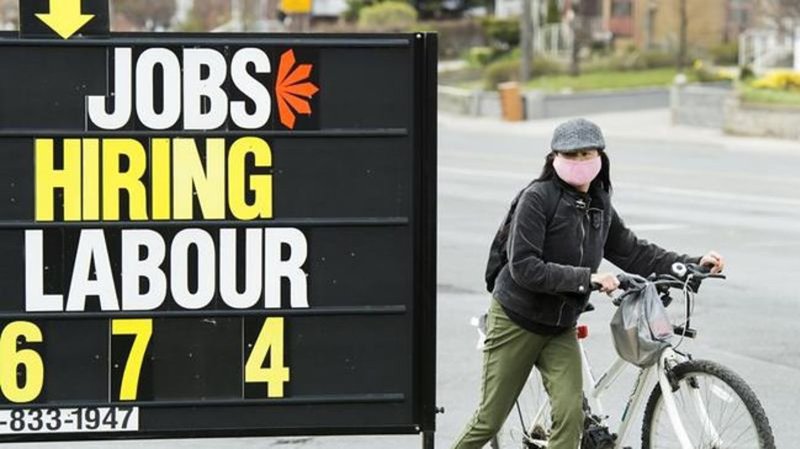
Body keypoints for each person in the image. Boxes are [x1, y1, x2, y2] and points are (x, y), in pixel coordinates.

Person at [451, 118, 725, 449]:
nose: (580, 161)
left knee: (570, 421)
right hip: (517, 321)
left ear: (600, 158)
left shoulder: (599, 202)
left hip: (559, 327)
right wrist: (588, 278)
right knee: (489, 421)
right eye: (571, 154)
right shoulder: (537, 198)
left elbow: (632, 251)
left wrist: (690, 265)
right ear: (554, 158)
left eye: (587, 154)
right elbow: (524, 267)